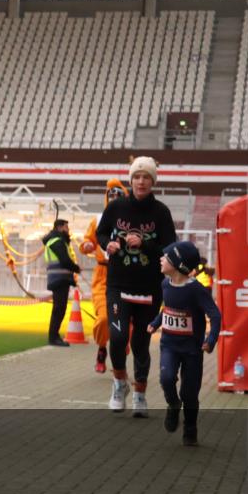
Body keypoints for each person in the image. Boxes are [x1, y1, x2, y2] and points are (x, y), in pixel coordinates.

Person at [97, 156, 177, 417]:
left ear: (153, 181)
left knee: (141, 343)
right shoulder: (116, 207)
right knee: (118, 338)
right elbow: (101, 232)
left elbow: (169, 248)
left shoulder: (161, 212)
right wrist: (106, 244)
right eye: (137, 176)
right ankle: (120, 382)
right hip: (118, 284)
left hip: (150, 288)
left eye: (147, 177)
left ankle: (140, 394)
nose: (141, 181)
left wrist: (144, 244)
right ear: (130, 180)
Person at [148, 241, 221, 446]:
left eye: (166, 257)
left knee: (190, 393)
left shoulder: (196, 290)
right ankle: (173, 405)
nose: (161, 259)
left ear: (179, 264)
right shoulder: (165, 285)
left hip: (192, 350)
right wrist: (155, 323)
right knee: (166, 378)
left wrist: (211, 339)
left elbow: (215, 315)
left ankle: (190, 428)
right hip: (169, 345)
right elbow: (168, 309)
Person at [79, 179, 129, 371]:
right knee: (104, 318)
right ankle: (102, 348)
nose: (114, 198)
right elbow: (85, 242)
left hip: (125, 274)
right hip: (102, 275)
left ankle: (120, 360)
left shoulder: (131, 219)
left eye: (118, 194)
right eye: (111, 195)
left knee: (126, 323)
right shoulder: (98, 220)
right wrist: (87, 246)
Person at [42, 219, 81, 347]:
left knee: (59, 308)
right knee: (59, 309)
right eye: (66, 227)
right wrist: (76, 268)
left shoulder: (57, 241)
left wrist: (71, 279)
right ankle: (53, 337)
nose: (68, 230)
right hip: (59, 279)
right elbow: (65, 261)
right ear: (59, 228)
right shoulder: (57, 242)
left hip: (59, 279)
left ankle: (54, 336)